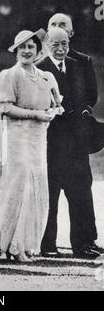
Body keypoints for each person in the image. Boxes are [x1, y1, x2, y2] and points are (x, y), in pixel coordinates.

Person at [0, 29, 60, 262]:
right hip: (16, 138)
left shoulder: (46, 76)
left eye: (31, 47)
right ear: (15, 51)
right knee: (18, 188)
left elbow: (55, 105)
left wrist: (52, 113)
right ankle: (9, 245)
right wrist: (36, 114)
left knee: (36, 189)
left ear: (38, 51)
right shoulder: (9, 75)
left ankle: (24, 246)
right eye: (22, 47)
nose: (26, 51)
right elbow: (4, 108)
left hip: (38, 140)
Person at [37, 28, 100, 259]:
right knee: (50, 194)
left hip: (76, 143)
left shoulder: (75, 65)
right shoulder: (40, 67)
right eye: (55, 45)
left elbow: (84, 98)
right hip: (50, 142)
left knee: (79, 193)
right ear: (46, 45)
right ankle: (47, 244)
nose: (61, 49)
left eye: (64, 44)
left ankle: (81, 244)